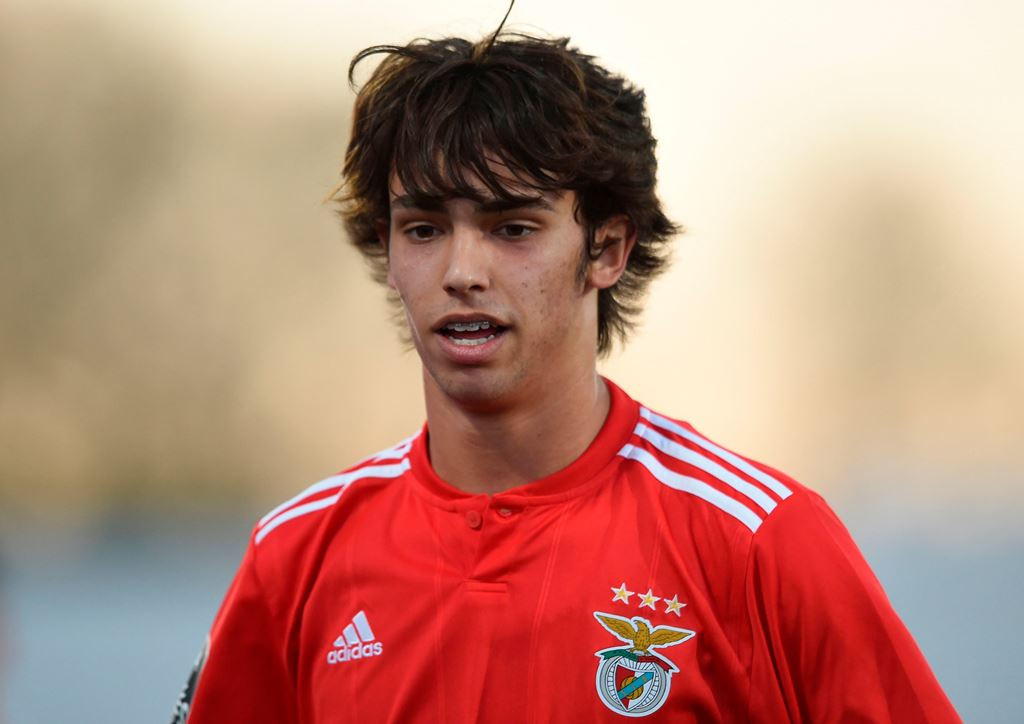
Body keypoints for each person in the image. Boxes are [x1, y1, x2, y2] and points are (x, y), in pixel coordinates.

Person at [172, 25, 960, 724]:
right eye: (422, 229)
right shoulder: (296, 558)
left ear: (608, 250)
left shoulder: (758, 543)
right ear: (387, 253)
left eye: (512, 226)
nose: (461, 270)